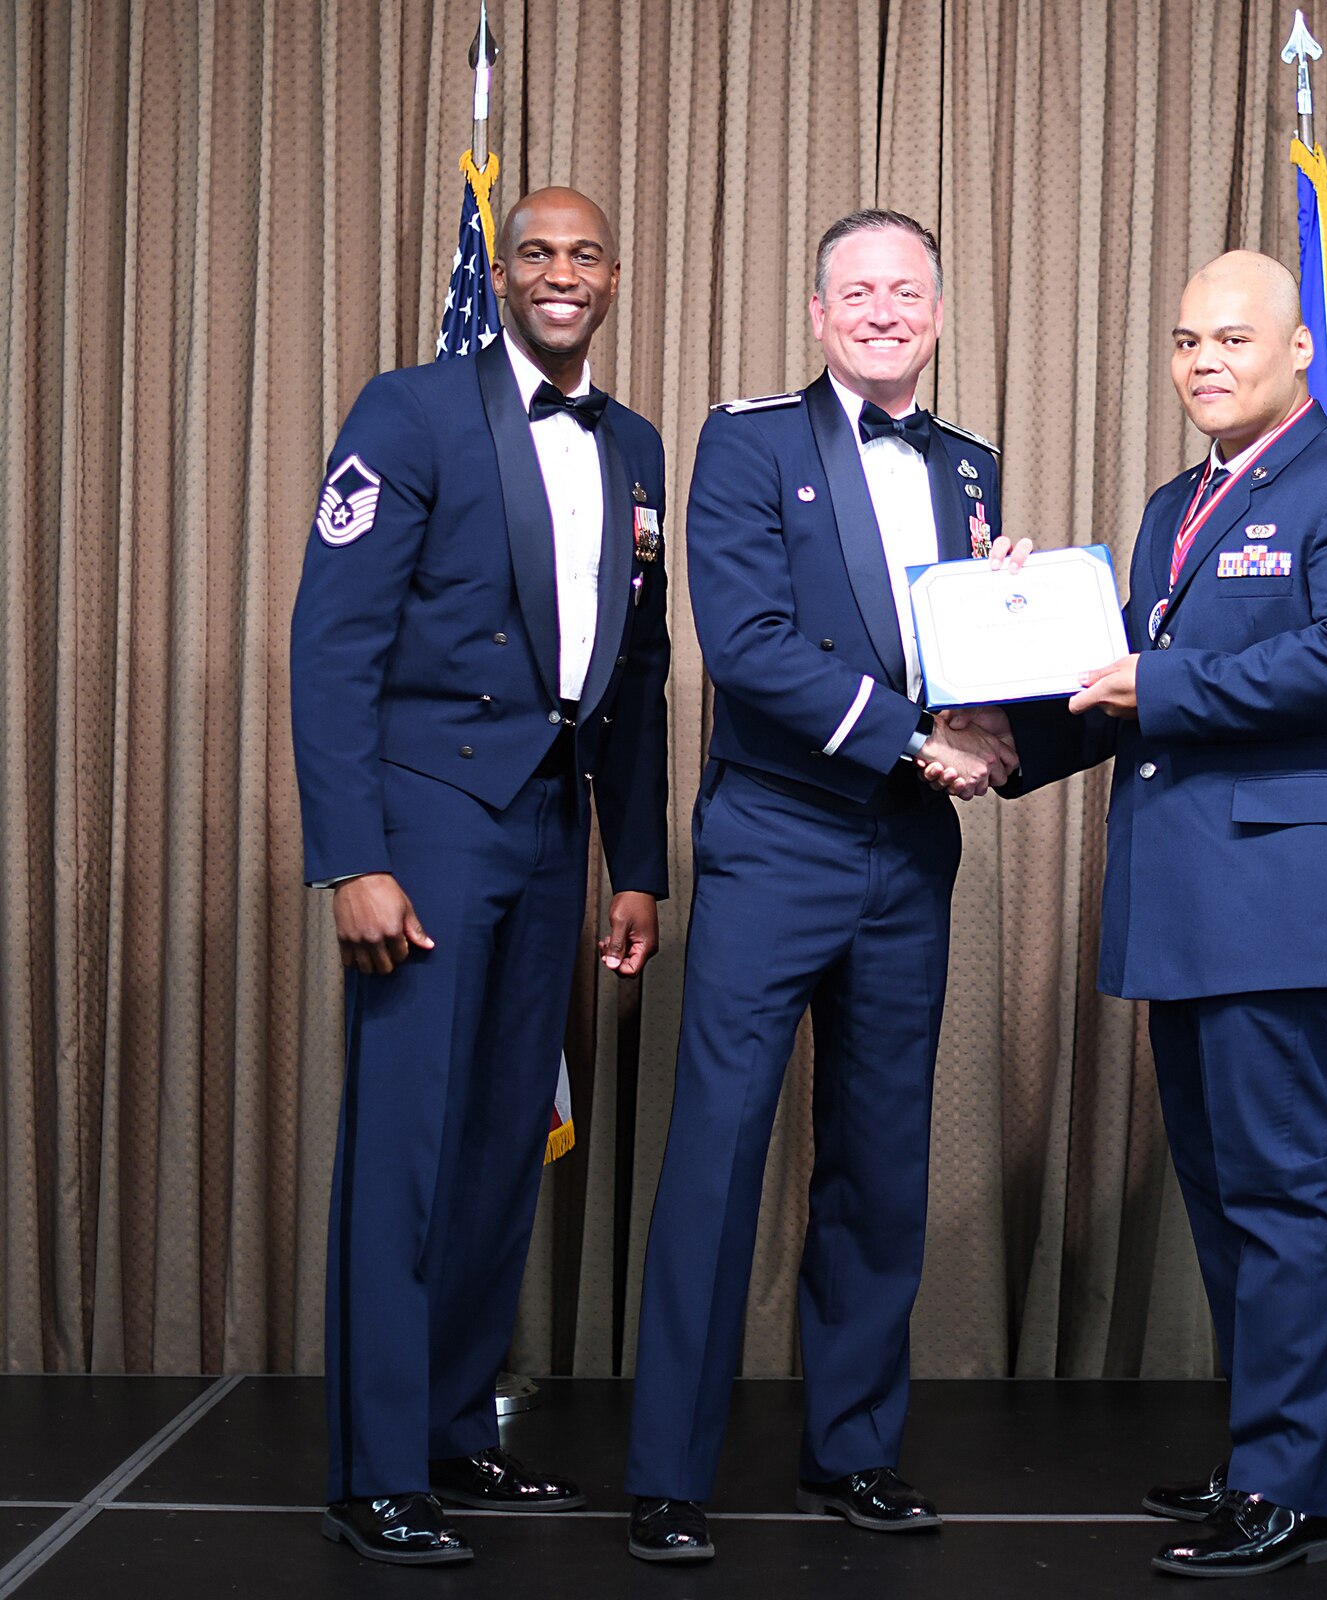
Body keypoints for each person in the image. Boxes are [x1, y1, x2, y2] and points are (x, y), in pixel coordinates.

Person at [1000, 250, 1327, 1578]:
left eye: (1234, 339)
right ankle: (1276, 1456)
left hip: (1281, 901)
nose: (1204, 362)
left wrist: (1163, 682)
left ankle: (1293, 1488)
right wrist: (1002, 720)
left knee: (1282, 1195)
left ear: (1301, 349)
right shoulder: (1172, 506)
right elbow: (1119, 683)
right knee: (1228, 1197)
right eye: (1188, 340)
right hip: (1187, 903)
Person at [622, 209, 1018, 1565]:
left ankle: (855, 1450)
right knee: (719, 1149)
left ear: (939, 314)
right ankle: (668, 1472)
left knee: (880, 1159)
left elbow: (960, 656)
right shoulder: (748, 441)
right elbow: (747, 643)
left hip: (908, 853)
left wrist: (1007, 654)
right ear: (816, 313)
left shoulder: (970, 465)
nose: (884, 310)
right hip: (776, 840)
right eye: (858, 291)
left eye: (907, 291)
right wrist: (914, 738)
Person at [291, 187, 670, 1566]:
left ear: (613, 278)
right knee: (407, 1146)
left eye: (585, 254)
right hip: (432, 819)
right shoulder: (409, 411)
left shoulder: (635, 444)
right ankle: (376, 1469)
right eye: (536, 253)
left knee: (508, 1138)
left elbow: (641, 669)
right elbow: (333, 643)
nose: (561, 273)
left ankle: (456, 1429)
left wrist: (637, 864)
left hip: (557, 823)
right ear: (501, 276)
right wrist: (355, 856)